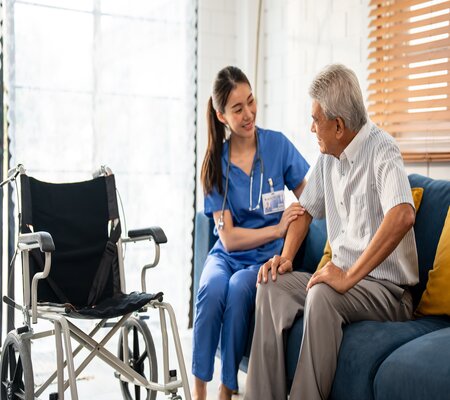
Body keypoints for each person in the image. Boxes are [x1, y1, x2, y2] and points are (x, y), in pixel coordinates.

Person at [244, 64, 419, 400]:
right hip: (348, 283)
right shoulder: (329, 158)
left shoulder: (383, 150)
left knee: (323, 295)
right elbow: (304, 211)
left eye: (316, 120)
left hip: (389, 293)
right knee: (271, 285)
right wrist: (285, 258)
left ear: (338, 126)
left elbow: (402, 215)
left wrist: (349, 275)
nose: (311, 128)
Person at [192, 66, 310, 400]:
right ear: (221, 115)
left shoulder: (277, 146)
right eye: (238, 108)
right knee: (212, 287)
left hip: (263, 260)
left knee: (240, 287)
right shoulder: (215, 163)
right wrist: (277, 226)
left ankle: (227, 389)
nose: (249, 114)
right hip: (227, 255)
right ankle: (199, 389)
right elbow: (227, 238)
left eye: (251, 101)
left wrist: (286, 244)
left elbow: (310, 200)